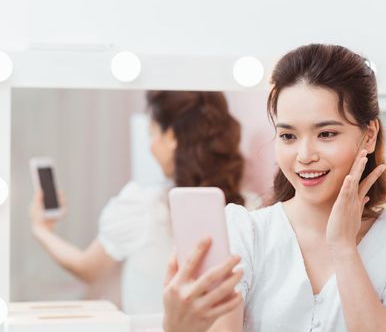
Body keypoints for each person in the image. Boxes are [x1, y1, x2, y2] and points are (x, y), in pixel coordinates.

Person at [163, 44, 386, 332]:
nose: (305, 155)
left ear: (368, 135)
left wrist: (344, 249)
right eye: (288, 136)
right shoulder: (245, 234)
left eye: (326, 134)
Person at [30, 91, 245, 314]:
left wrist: (40, 230)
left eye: (152, 134)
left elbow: (86, 268)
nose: (150, 147)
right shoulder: (243, 210)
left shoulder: (142, 207)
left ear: (171, 137)